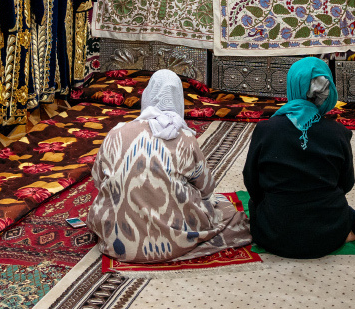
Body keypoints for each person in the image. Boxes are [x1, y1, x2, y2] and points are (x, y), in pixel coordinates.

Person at [87, 69, 251, 263]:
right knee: (224, 208)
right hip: (174, 241)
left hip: (118, 242)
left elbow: (98, 180)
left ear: (148, 95)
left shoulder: (117, 132)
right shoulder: (185, 138)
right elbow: (206, 188)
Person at [242, 56, 355, 258]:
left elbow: (251, 180)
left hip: (274, 237)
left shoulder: (266, 129)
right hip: (329, 235)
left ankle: (347, 224)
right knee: (333, 201)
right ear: (328, 92)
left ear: (293, 86)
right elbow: (346, 183)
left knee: (256, 204)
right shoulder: (339, 132)